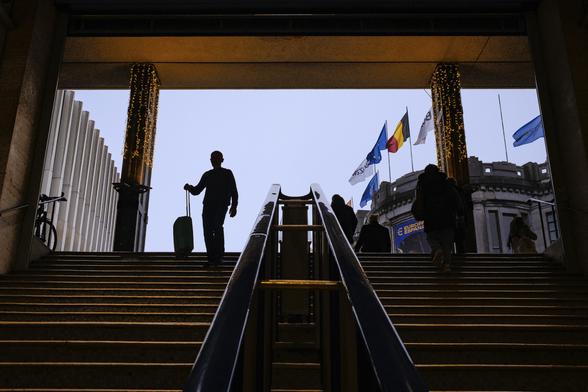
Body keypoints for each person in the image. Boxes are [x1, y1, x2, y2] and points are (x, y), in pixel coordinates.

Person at [184, 151, 238, 266]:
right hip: (209, 206)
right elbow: (197, 190)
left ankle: (217, 257)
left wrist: (234, 206)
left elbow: (234, 191)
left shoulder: (226, 173)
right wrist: (189, 188)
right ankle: (212, 258)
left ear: (221, 160)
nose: (214, 160)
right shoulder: (208, 175)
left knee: (216, 227)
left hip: (219, 205)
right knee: (209, 230)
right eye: (213, 158)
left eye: (216, 158)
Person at [417, 164, 461, 272]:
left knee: (432, 238)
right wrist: (459, 212)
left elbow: (419, 201)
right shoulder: (446, 184)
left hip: (430, 218)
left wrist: (420, 213)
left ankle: (437, 249)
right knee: (447, 243)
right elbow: (456, 199)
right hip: (447, 218)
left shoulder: (422, 185)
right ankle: (446, 265)